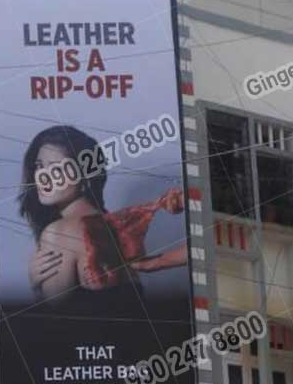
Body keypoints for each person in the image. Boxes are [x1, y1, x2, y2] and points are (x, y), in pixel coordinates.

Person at [18, 126, 188, 303]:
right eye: (39, 166)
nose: (43, 177)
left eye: (57, 170)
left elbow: (56, 324)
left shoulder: (58, 233)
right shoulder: (119, 226)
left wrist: (35, 286)